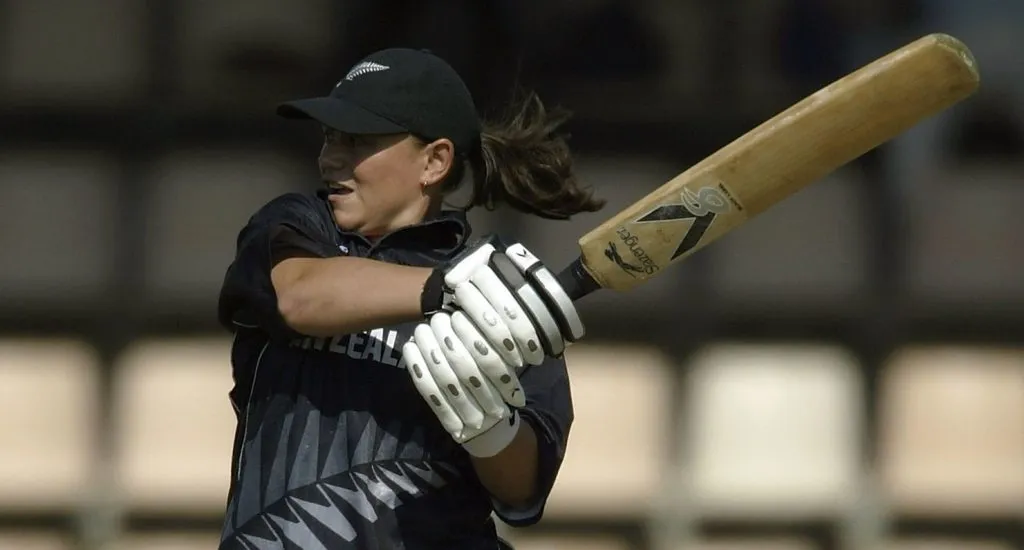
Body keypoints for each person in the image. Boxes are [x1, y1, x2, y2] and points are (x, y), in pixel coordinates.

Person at [216, 47, 605, 549]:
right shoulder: (296, 226)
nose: (329, 157)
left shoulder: (502, 294)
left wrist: (491, 432)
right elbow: (298, 296)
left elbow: (524, 491)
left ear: (435, 161)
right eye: (330, 136)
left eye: (356, 141)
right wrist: (448, 289)